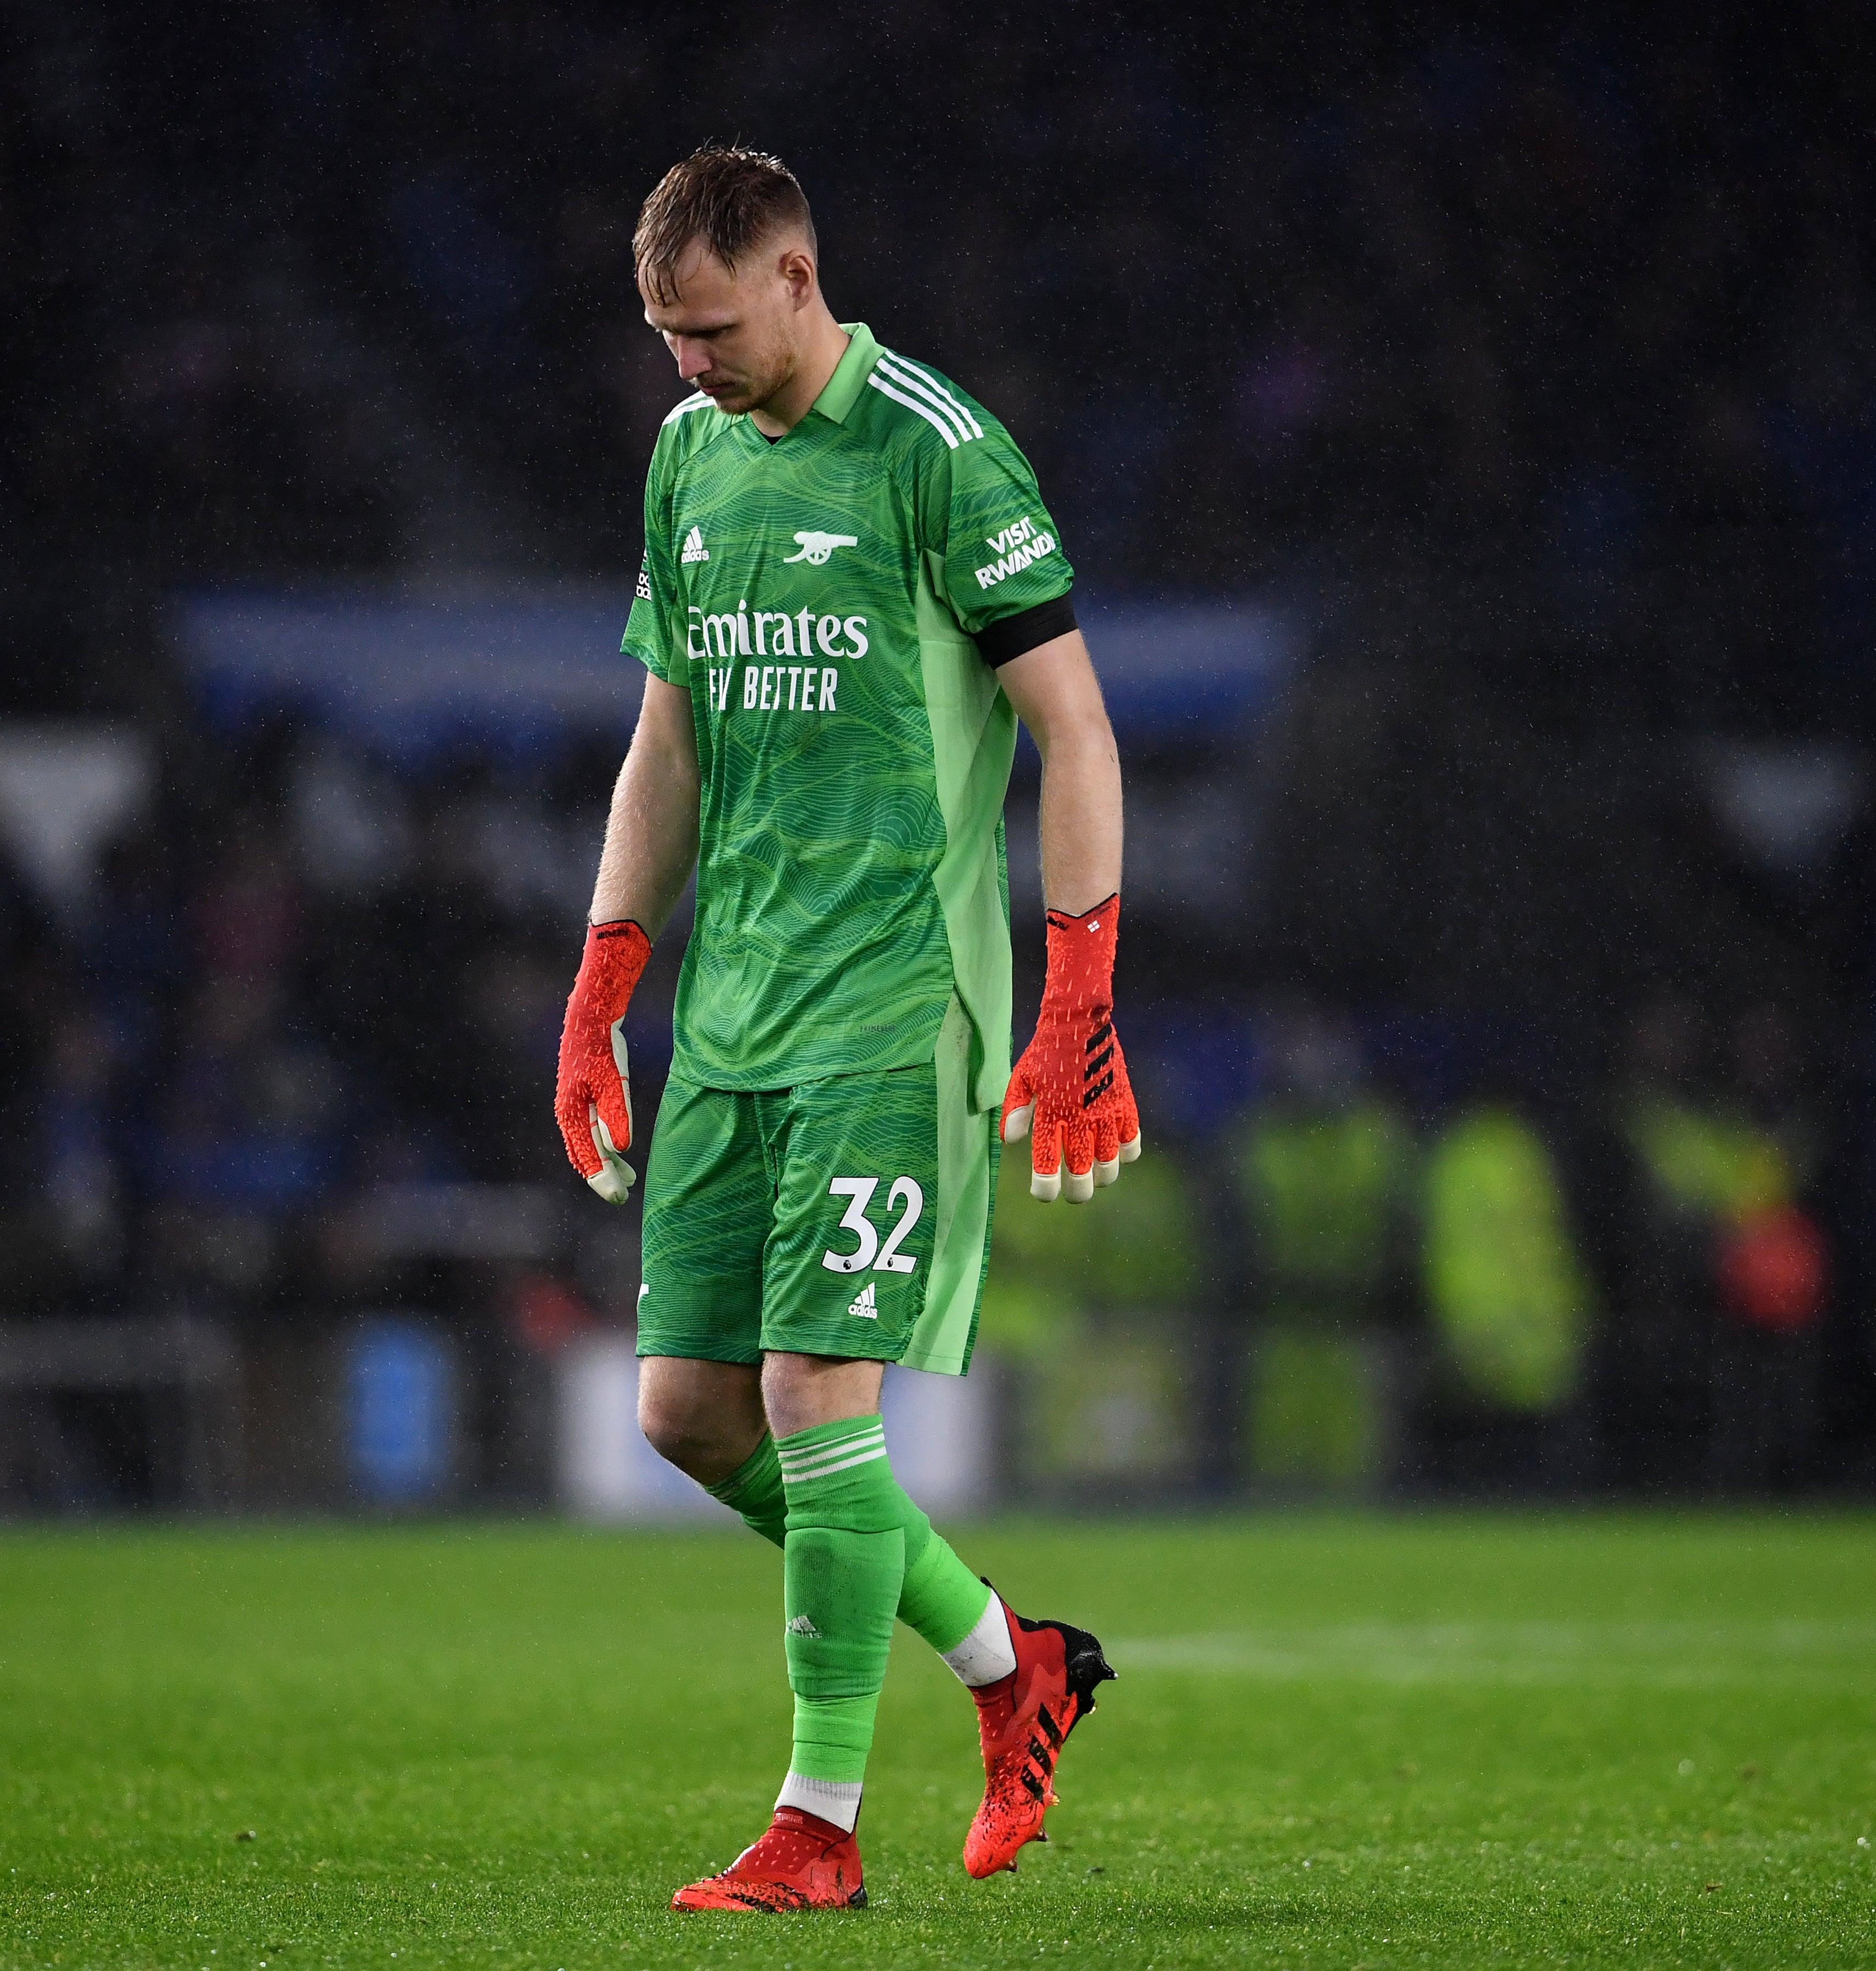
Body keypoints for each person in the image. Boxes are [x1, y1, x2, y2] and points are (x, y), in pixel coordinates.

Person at [553, 148, 1137, 1914]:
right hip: (733, 1016)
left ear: (798, 276)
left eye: (712, 327)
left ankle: (815, 1826)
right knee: (686, 1415)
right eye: (664, 335)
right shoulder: (686, 457)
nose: (688, 365)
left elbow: (1081, 733)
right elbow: (667, 743)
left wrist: (1078, 991)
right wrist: (601, 983)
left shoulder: (938, 454)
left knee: (814, 1395)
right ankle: (1002, 1662)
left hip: (894, 1009)